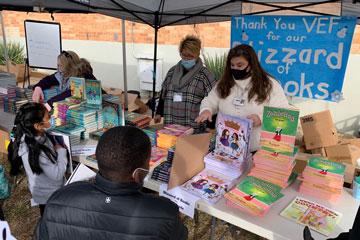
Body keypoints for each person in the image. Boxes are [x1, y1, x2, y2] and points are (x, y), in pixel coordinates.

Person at [35, 126, 188, 240]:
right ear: (138, 173)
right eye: (148, 162)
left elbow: (41, 235)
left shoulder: (59, 199)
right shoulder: (164, 213)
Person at [195, 44, 289, 153]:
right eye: (232, 65)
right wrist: (207, 109)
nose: (235, 69)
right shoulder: (224, 82)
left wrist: (261, 118)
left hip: (256, 150)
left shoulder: (269, 85)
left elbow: (284, 113)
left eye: (240, 65)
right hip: (226, 147)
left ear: (251, 65)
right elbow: (210, 100)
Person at [8, 102, 67, 215]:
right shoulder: (36, 150)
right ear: (38, 126)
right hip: (50, 196)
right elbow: (57, 175)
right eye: (48, 117)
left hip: (45, 191)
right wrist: (61, 152)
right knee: (52, 224)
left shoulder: (32, 137)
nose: (51, 118)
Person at [154, 35, 216, 132]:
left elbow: (213, 102)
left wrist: (210, 126)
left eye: (190, 56)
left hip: (193, 127)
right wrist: (159, 113)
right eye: (183, 55)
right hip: (171, 125)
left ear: (197, 55)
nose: (186, 59)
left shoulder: (205, 75)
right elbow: (163, 94)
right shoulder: (172, 72)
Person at [32, 50, 96, 108]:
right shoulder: (63, 73)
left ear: (69, 66)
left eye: (61, 66)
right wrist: (38, 88)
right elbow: (49, 80)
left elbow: (71, 93)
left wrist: (49, 104)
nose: (59, 68)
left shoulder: (84, 75)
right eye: (58, 65)